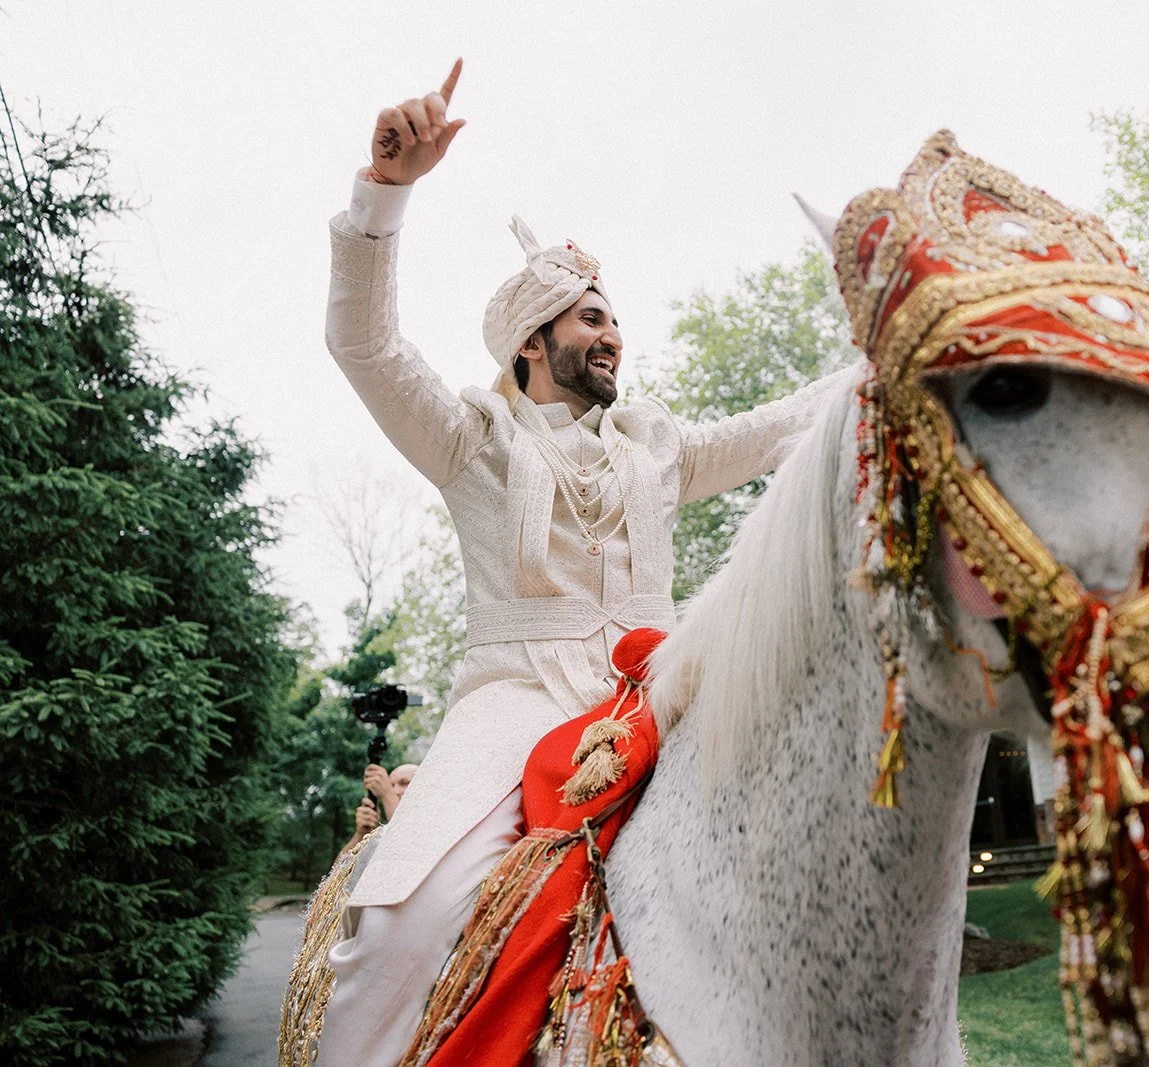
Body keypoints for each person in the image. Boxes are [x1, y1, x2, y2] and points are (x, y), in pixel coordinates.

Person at [313, 60, 850, 1065]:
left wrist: (891, 341)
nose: (614, 334)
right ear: (529, 342)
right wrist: (383, 193)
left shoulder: (658, 448)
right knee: (395, 930)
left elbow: (787, 424)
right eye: (591, 317)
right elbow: (366, 345)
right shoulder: (466, 440)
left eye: (613, 316)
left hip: (665, 695)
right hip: (515, 704)